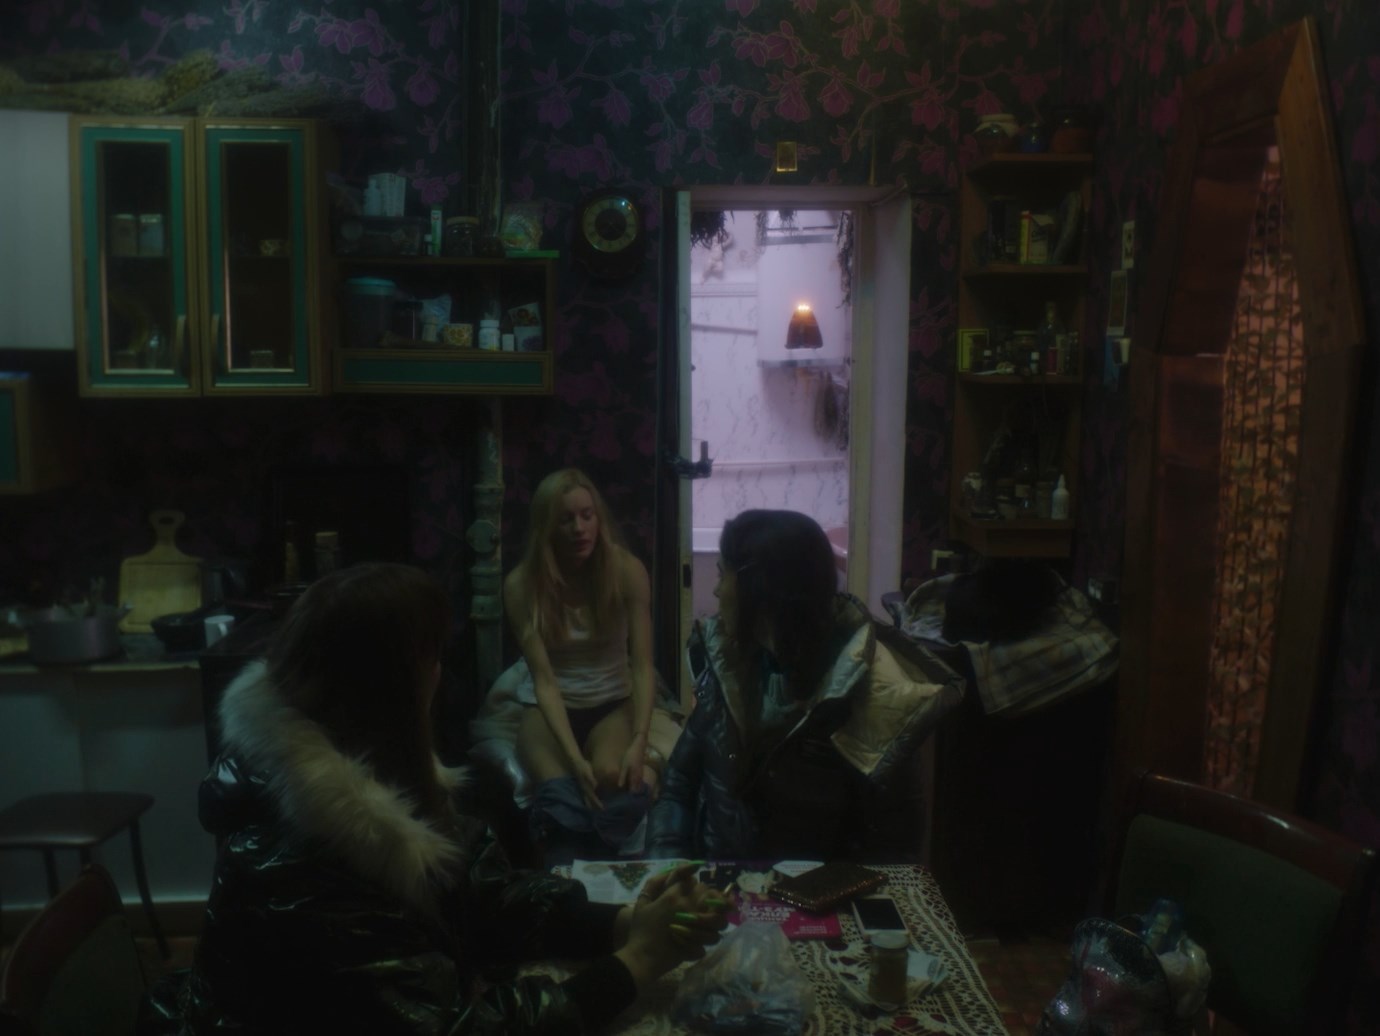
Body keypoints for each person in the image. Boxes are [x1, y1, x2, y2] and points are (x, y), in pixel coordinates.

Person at [181, 562, 726, 1034]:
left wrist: (626, 922)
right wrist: (638, 961)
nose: (441, 672)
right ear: (390, 691)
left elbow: (478, 896)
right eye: (433, 656)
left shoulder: (347, 781)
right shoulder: (303, 876)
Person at [645, 510, 961, 862]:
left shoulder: (873, 695)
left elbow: (895, 845)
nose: (716, 591)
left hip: (814, 892)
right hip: (717, 883)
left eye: (723, 574)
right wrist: (668, 866)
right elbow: (678, 787)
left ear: (760, 587)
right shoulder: (727, 665)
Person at [496, 468, 661, 861]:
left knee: (611, 779)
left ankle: (650, 781)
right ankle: (565, 879)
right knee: (560, 795)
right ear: (547, 528)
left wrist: (639, 739)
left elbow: (642, 666)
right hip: (548, 708)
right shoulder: (522, 585)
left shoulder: (626, 570)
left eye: (587, 516)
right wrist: (572, 758)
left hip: (612, 701)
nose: (579, 529)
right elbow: (544, 681)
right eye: (566, 519)